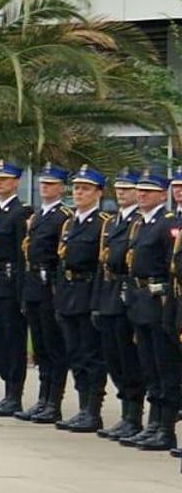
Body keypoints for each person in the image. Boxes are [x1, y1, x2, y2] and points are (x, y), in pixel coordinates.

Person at [121, 167, 177, 451]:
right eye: (140, 190)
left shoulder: (166, 224)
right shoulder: (141, 223)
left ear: (161, 194)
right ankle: (153, 423)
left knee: (163, 365)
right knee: (148, 365)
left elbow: (171, 268)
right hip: (140, 300)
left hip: (158, 302)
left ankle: (165, 427)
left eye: (148, 191)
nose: (141, 194)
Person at [52, 165, 109, 433]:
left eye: (85, 188)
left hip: (87, 293)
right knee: (75, 354)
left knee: (91, 355)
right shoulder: (70, 222)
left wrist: (97, 302)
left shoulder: (103, 224)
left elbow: (101, 267)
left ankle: (93, 410)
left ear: (98, 193)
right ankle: (83, 406)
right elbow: (61, 262)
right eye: (76, 188)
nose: (79, 193)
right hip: (68, 294)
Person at [96, 169, 149, 441]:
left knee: (129, 360)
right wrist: (97, 302)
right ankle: (126, 413)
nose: (123, 194)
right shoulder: (113, 222)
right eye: (119, 189)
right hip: (109, 293)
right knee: (113, 357)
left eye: (128, 189)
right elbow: (101, 264)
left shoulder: (139, 223)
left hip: (127, 296)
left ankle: (133, 416)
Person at [16, 164, 72, 425]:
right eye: (43, 183)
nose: (45, 188)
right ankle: (43, 397)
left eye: (51, 184)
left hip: (49, 285)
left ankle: (54, 401)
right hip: (34, 285)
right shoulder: (37, 215)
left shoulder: (63, 216)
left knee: (53, 346)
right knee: (40, 347)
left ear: (62, 188)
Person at [0, 159, 33, 418]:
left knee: (13, 340)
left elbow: (21, 255)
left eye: (4, 179)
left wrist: (21, 291)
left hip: (11, 283)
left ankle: (15, 394)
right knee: (0, 340)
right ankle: (7, 391)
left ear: (16, 183)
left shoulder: (20, 212)